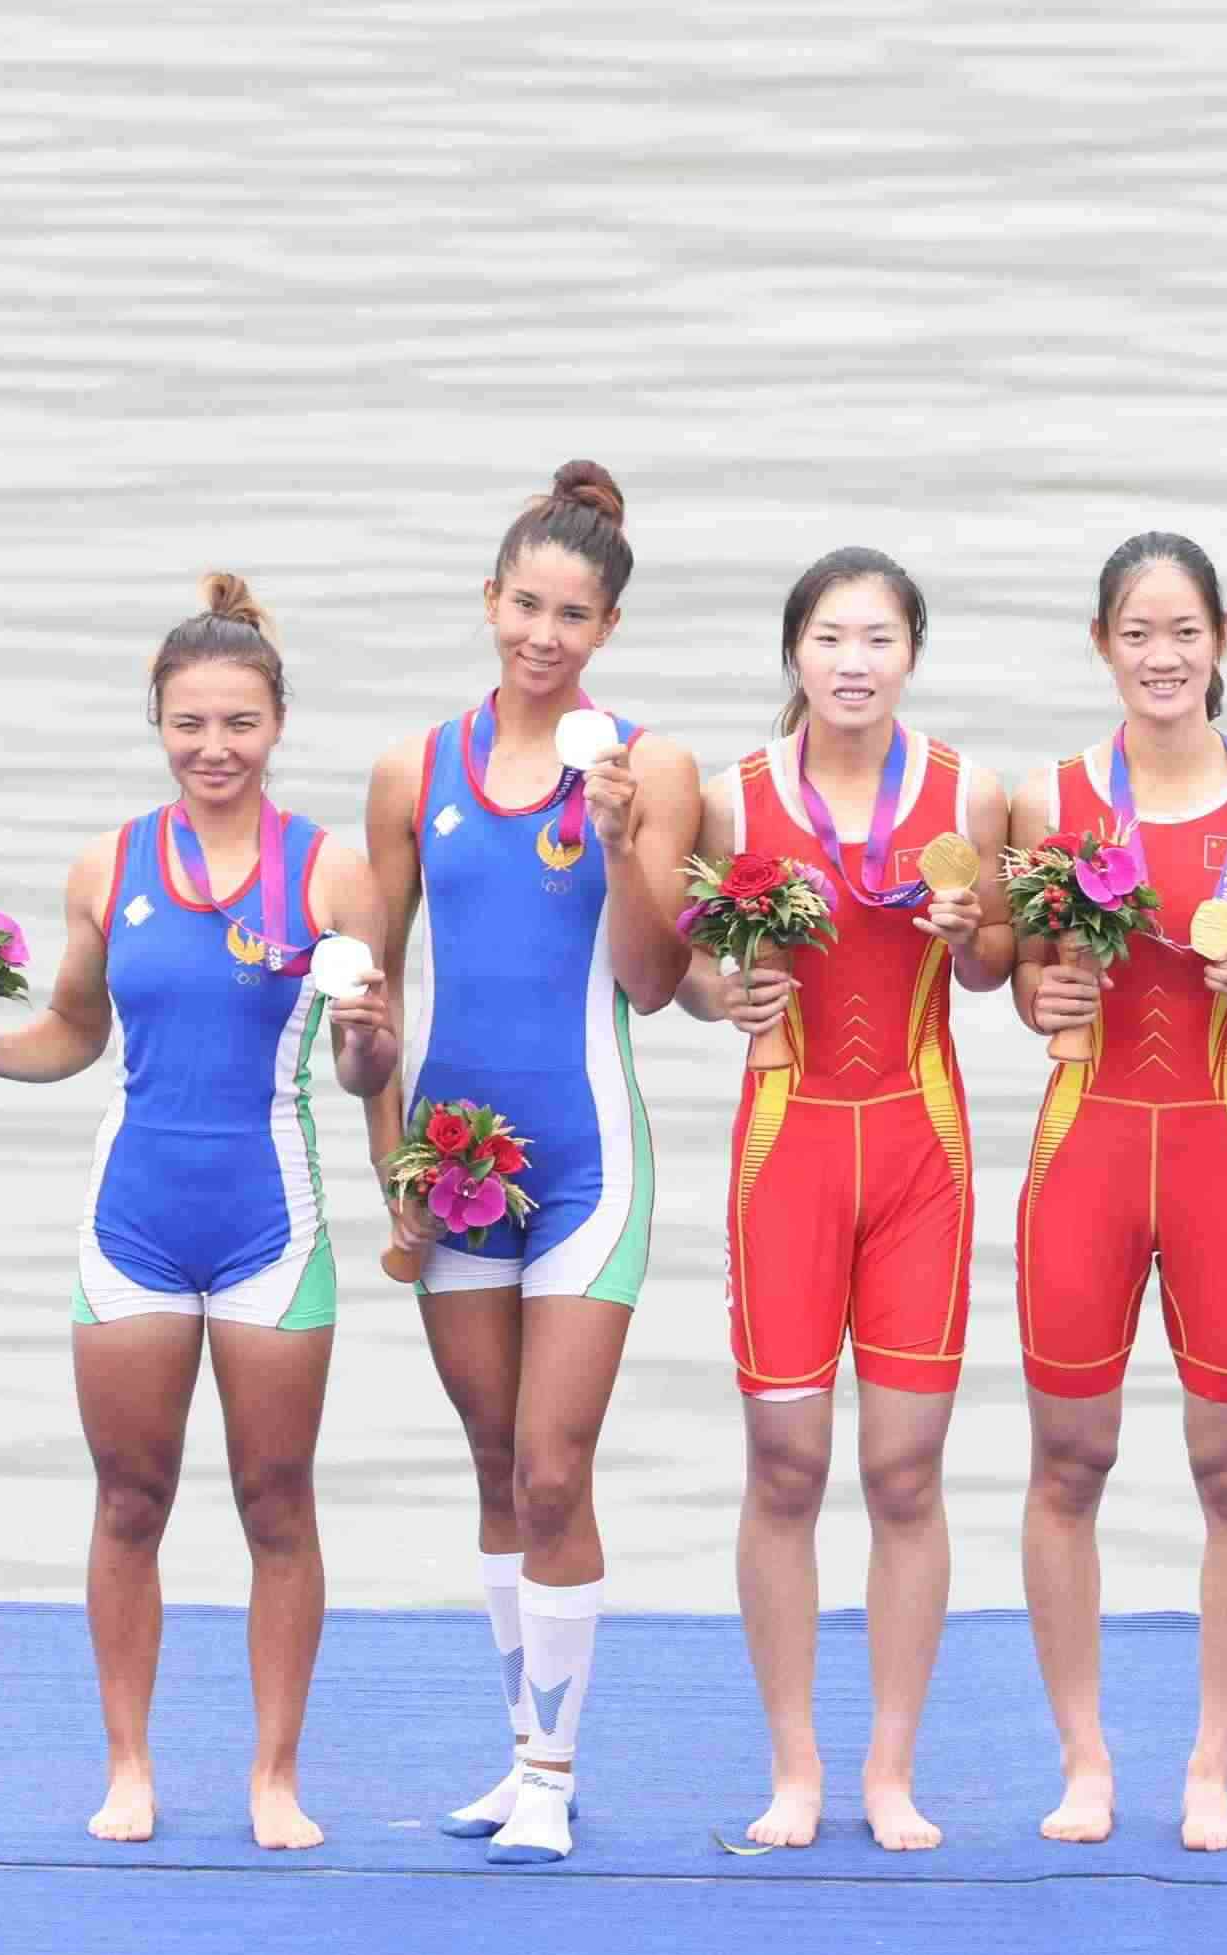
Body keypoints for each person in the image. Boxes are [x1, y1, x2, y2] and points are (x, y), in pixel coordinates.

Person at [0, 574, 398, 1850]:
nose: (213, 747)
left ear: (278, 723)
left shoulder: (333, 874)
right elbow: (77, 1029)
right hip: (133, 1223)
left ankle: (274, 1777)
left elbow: (365, 1069)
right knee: (130, 1499)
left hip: (271, 1227)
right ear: (158, 724)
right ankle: (128, 1764)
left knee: (276, 1502)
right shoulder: (108, 865)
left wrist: (370, 1041)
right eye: (189, 723)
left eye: (239, 723)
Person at [361, 462, 702, 1866]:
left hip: (585, 1163)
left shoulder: (650, 769)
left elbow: (657, 980)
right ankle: (518, 1758)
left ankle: (555, 1777)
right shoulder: (413, 772)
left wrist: (620, 844)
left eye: (573, 615)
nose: (543, 636)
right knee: (498, 1466)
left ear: (607, 628)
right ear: (489, 600)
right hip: (453, 1167)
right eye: (525, 606)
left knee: (556, 1468)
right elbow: (374, 996)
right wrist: (389, 1170)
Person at [675, 548, 1011, 1852]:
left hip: (921, 1153)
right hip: (788, 1148)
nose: (854, 662)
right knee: (786, 1463)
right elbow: (684, 967)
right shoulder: (729, 800)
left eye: (878, 639)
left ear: (912, 654)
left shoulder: (969, 795)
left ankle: (890, 1770)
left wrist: (970, 936)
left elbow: (993, 967)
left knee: (904, 1470)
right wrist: (724, 993)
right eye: (830, 638)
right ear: (795, 653)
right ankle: (794, 1769)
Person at [1008, 532, 1227, 1852]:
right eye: (1137, 632)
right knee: (1068, 1461)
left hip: (1222, 1157)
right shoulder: (1049, 799)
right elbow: (1028, 984)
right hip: (1084, 1155)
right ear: (1102, 645)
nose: (1162, 656)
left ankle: (1212, 1764)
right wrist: (1047, 994)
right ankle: (1085, 1757)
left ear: (1221, 641)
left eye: (1184, 631)